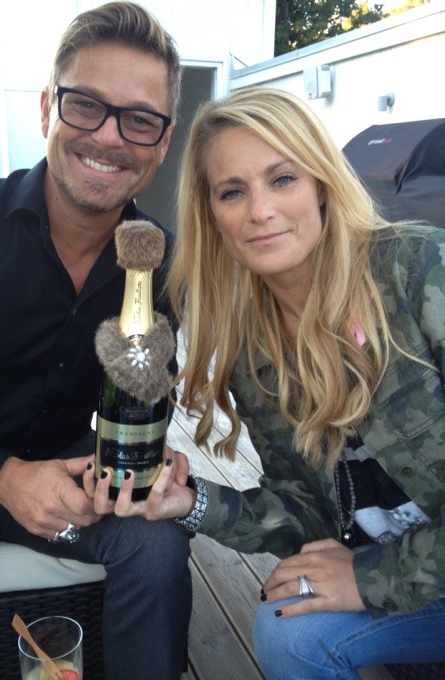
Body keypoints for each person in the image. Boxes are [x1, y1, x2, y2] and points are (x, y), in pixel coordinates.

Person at [103, 87, 445, 678]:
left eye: (282, 179)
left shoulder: (418, 271)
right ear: (212, 215)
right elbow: (310, 514)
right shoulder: (251, 348)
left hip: (411, 570)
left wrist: (373, 577)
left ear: (322, 184)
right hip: (413, 585)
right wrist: (193, 501)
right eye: (232, 191)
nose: (259, 211)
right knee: (288, 630)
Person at [0, 3, 191, 679]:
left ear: (163, 142)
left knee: (157, 549)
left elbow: (143, 397)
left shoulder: (162, 265)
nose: (109, 136)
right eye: (86, 105)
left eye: (139, 120)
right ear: (49, 108)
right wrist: (0, 476)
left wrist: (139, 463)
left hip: (67, 484)